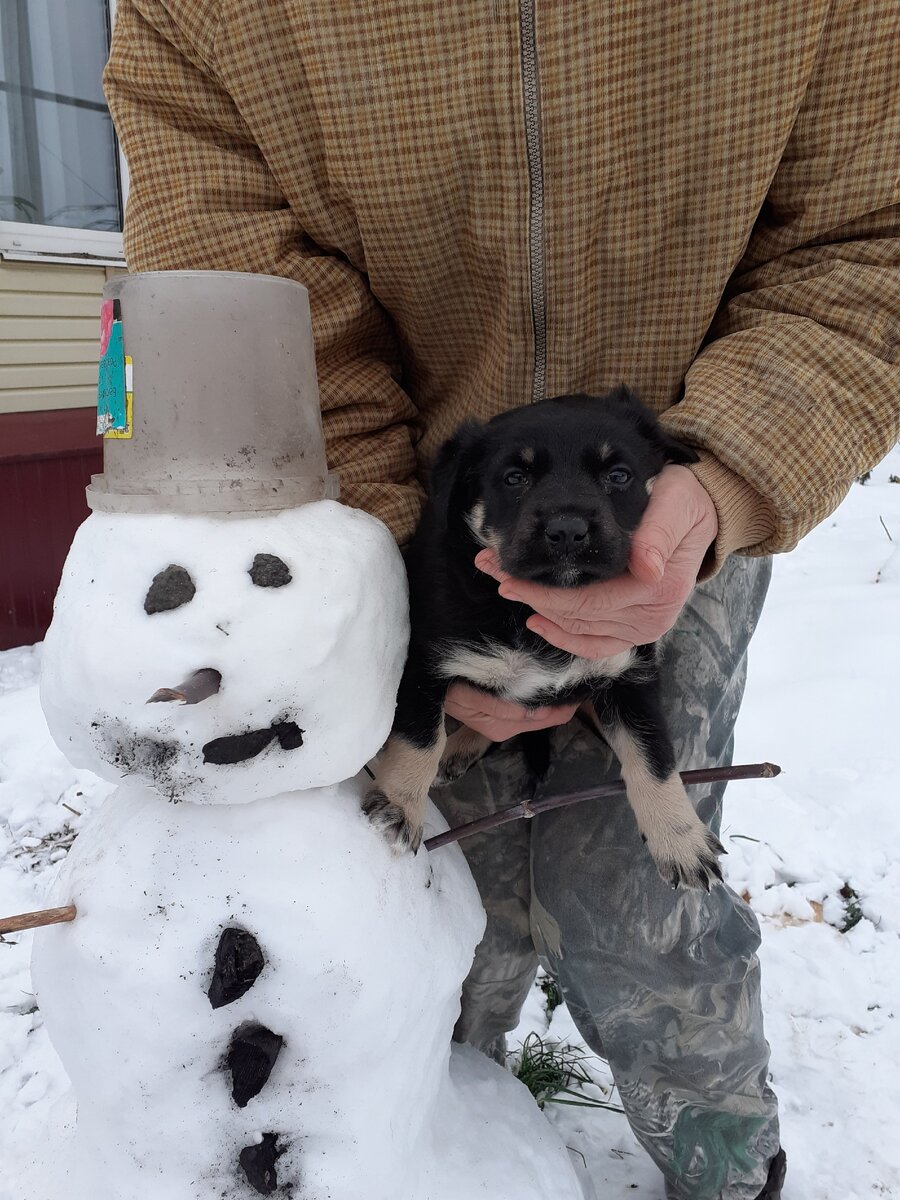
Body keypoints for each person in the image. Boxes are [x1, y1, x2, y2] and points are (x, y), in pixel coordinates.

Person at [103, 4, 900, 1196]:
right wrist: (390, 558)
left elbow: (869, 239)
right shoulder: (206, 17)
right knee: (426, 885)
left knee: (646, 900)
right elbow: (228, 268)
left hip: (682, 499)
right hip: (398, 515)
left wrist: (729, 473)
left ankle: (725, 1149)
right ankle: (433, 1132)